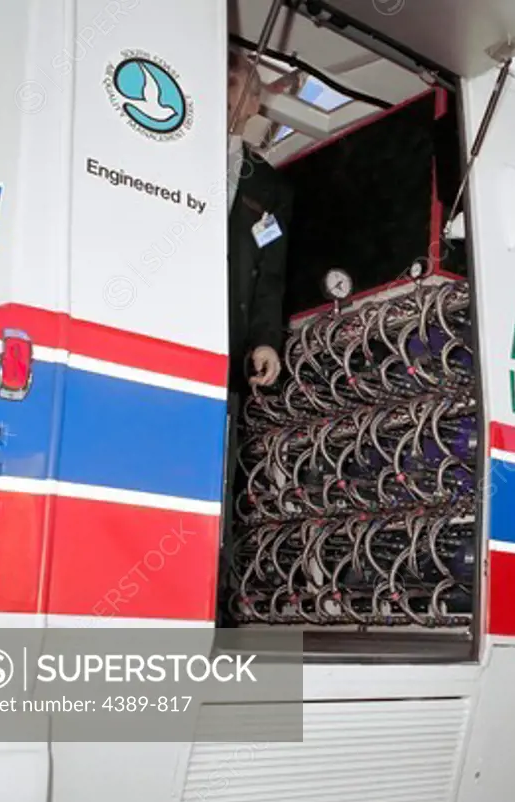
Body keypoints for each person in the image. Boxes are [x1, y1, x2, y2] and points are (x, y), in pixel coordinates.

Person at [218, 50, 296, 626]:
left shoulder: (267, 186)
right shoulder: (159, 154)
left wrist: (265, 342)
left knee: (219, 483)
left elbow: (272, 274)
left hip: (227, 350)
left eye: (236, 87)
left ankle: (210, 613)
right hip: (164, 335)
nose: (227, 96)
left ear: (253, 102)